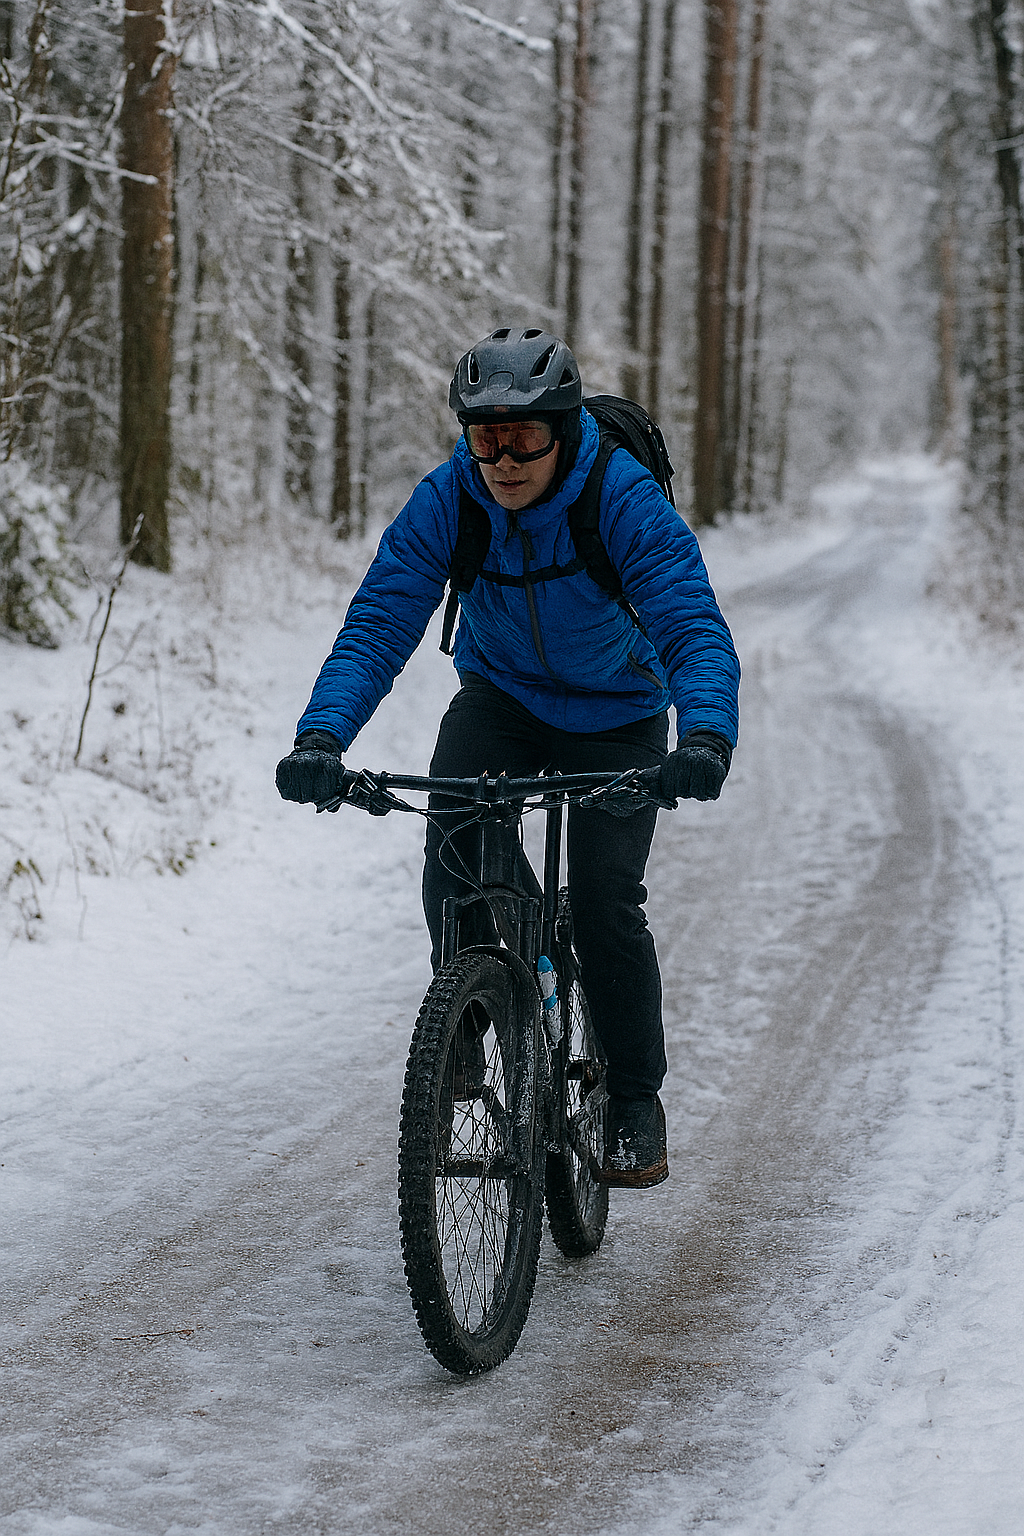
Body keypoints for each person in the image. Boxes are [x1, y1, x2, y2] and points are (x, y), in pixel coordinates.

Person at [276, 327, 739, 1188]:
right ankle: (465, 1024)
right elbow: (379, 621)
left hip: (619, 711)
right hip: (505, 698)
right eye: (486, 438)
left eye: (524, 437)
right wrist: (321, 737)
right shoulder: (450, 499)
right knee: (455, 847)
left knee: (604, 901)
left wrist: (705, 734)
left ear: (562, 431)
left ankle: (634, 1099)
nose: (504, 460)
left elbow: (689, 621)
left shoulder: (619, 496)